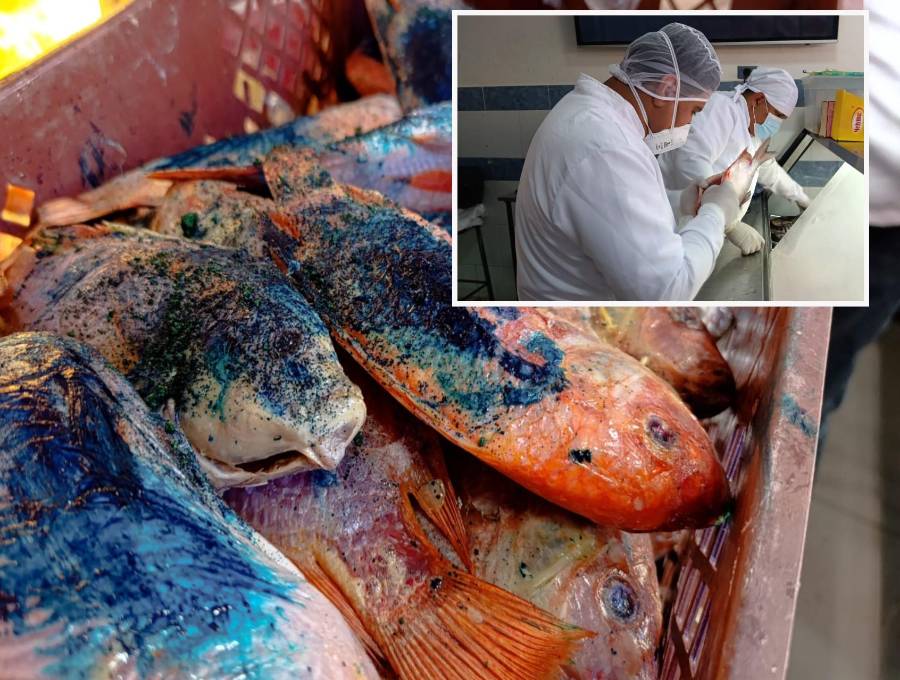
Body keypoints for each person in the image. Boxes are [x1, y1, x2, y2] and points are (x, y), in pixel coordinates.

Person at [514, 22, 741, 301]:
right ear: (668, 88)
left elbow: (611, 214)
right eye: (694, 111)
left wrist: (683, 199)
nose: (691, 125)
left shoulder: (590, 115)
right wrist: (715, 215)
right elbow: (669, 289)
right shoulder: (606, 147)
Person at [658, 67, 810, 256]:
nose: (778, 123)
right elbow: (691, 159)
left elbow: (763, 166)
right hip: (676, 225)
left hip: (708, 224)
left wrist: (800, 197)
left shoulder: (752, 126)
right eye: (778, 115)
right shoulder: (721, 109)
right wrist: (729, 223)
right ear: (759, 100)